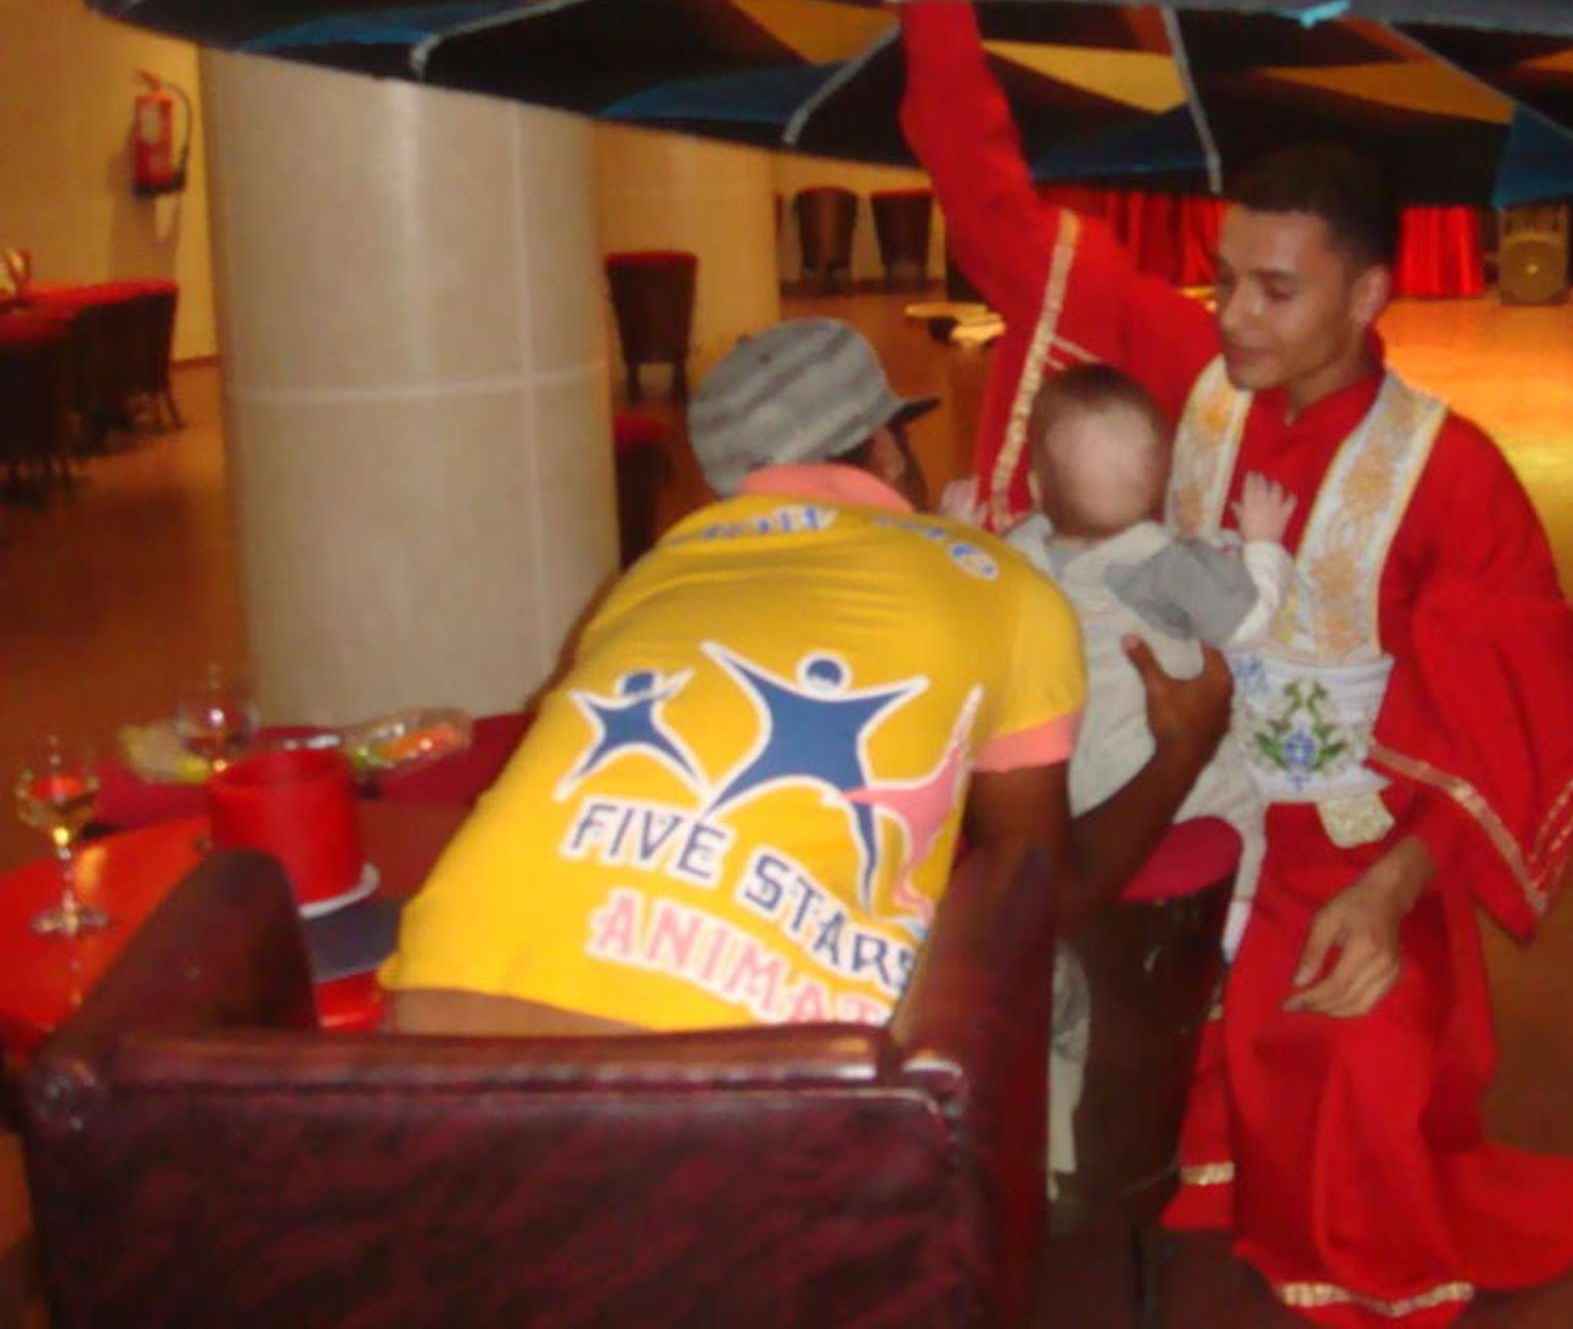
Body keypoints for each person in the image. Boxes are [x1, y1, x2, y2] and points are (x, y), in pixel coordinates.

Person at [900, 1, 1573, 1326]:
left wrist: (1392, 892)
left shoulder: (1453, 475)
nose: (1233, 314)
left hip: (1351, 846)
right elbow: (1000, 229)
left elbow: (1511, 717)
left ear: (1369, 294)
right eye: (1223, 278)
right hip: (1175, 800)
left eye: (1276, 290)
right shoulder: (1195, 376)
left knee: (1356, 1053)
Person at [383, 316, 1228, 1036]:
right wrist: (1183, 748)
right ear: (888, 452)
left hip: (437, 1011)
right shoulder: (1006, 587)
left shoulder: (653, 571)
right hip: (746, 1072)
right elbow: (1036, 902)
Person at [984, 360, 1291, 1188]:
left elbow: (963, 581)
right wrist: (1264, 546)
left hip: (1063, 790)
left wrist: (952, 522)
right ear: (1162, 488)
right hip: (1164, 782)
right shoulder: (1166, 563)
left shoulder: (1015, 555)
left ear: (1035, 483)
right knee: (1245, 802)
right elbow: (1250, 622)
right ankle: (1221, 948)